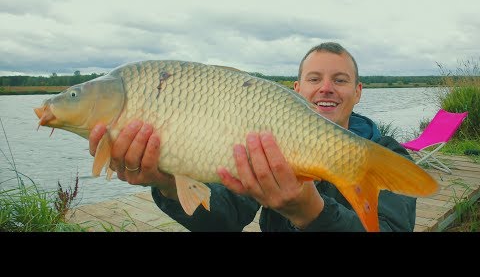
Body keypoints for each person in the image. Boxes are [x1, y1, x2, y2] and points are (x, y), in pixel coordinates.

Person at [89, 42, 417, 231]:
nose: (326, 88)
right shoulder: (263, 142)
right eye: (314, 78)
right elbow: (223, 220)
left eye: (340, 80)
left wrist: (309, 212)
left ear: (358, 92)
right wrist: (166, 183)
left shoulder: (389, 157)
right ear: (297, 91)